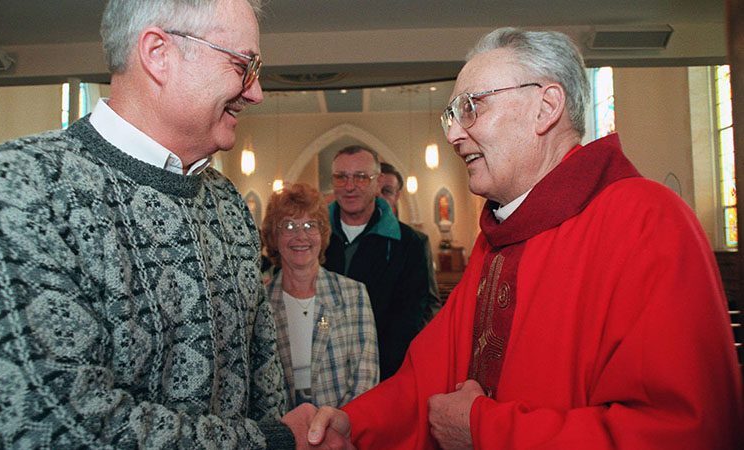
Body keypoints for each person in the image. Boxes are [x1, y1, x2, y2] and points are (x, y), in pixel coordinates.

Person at [0, 0, 349, 448]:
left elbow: (263, 380)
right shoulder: (18, 187)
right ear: (158, 53)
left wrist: (299, 433)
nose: (256, 92)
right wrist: (276, 442)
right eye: (243, 66)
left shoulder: (227, 202)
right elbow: (45, 427)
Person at [308, 27, 743, 449]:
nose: (455, 135)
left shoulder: (647, 220)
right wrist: (355, 424)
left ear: (546, 106)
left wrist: (485, 430)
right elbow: (426, 377)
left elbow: (684, 432)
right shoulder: (500, 234)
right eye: (452, 116)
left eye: (471, 107)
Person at [324, 145, 438, 380]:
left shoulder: (409, 243)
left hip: (383, 373)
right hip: (323, 371)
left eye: (361, 177)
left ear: (377, 184)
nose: (350, 186)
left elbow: (409, 319)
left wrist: (373, 373)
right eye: (341, 177)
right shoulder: (314, 237)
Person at [261, 182, 379, 409]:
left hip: (342, 430)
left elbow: (366, 377)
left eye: (309, 225)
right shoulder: (261, 303)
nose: (300, 235)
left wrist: (336, 427)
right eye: (288, 226)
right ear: (273, 237)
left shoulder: (353, 294)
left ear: (322, 233)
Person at [377, 162, 442, 324]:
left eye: (387, 191)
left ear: (397, 196)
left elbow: (430, 302)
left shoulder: (416, 241)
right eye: (374, 190)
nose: (379, 197)